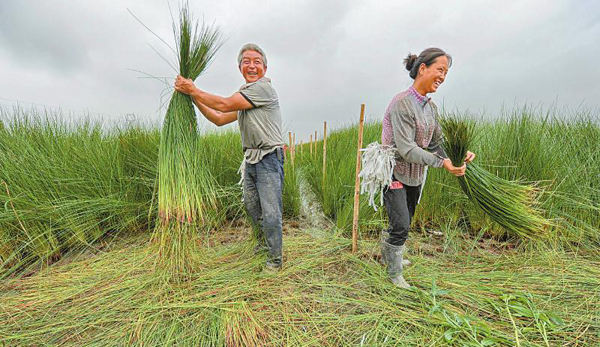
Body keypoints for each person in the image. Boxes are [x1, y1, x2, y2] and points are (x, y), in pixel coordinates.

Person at [174, 43, 285, 272]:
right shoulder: (246, 97)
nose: (251, 66)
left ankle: (275, 259)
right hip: (252, 159)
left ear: (265, 67)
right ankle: (264, 245)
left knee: (271, 212)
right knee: (252, 207)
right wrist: (192, 97)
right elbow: (219, 117)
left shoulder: (263, 89)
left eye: (256, 61)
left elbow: (224, 104)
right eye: (246, 62)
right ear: (240, 67)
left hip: (269, 159)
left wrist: (193, 90)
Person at [380, 48, 475, 288]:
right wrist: (441, 163)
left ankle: (391, 251)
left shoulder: (431, 109)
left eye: (446, 72)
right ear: (423, 68)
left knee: (406, 219)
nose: (443, 76)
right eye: (440, 69)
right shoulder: (402, 103)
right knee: (401, 222)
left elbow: (436, 143)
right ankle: (394, 272)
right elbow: (406, 149)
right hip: (393, 169)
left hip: (416, 173)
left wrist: (458, 155)